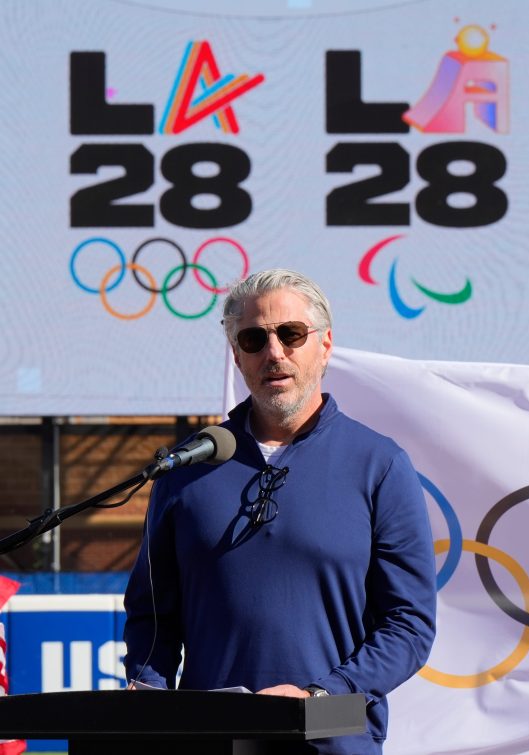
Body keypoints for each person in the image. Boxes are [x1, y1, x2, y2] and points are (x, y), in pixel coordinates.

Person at [124, 269, 437, 754]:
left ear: (325, 345)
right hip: (211, 743)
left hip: (332, 742)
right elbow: (152, 615)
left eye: (291, 334)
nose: (274, 352)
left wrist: (321, 695)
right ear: (237, 355)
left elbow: (408, 625)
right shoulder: (186, 468)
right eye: (253, 339)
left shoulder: (379, 464)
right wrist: (150, 693)